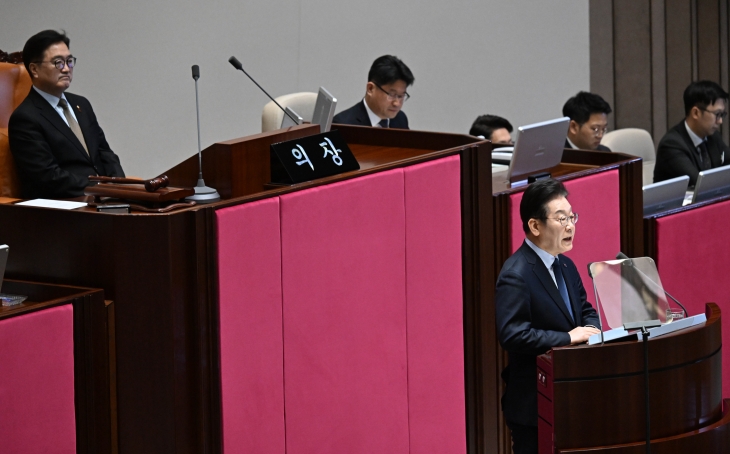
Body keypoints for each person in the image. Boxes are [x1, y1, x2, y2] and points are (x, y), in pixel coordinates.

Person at [495, 178, 600, 454]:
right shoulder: (516, 274)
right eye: (561, 218)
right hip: (534, 406)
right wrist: (568, 338)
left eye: (572, 217)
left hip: (570, 397)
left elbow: (586, 310)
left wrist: (593, 331)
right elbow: (513, 334)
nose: (570, 225)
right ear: (535, 226)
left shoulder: (565, 265)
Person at [9, 30, 124, 199]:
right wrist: (100, 189)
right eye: (58, 63)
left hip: (102, 198)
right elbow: (48, 176)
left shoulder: (82, 104)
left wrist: (120, 186)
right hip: (65, 203)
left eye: (69, 61)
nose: (66, 69)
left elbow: (104, 152)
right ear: (34, 69)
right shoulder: (25, 118)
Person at [654, 80, 729, 186]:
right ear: (696, 113)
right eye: (717, 114)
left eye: (722, 115)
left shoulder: (713, 136)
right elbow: (700, 184)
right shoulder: (672, 145)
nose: (720, 121)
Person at [332, 55, 414, 129]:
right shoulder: (343, 124)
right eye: (391, 95)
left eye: (401, 96)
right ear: (370, 89)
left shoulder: (400, 119)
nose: (397, 103)